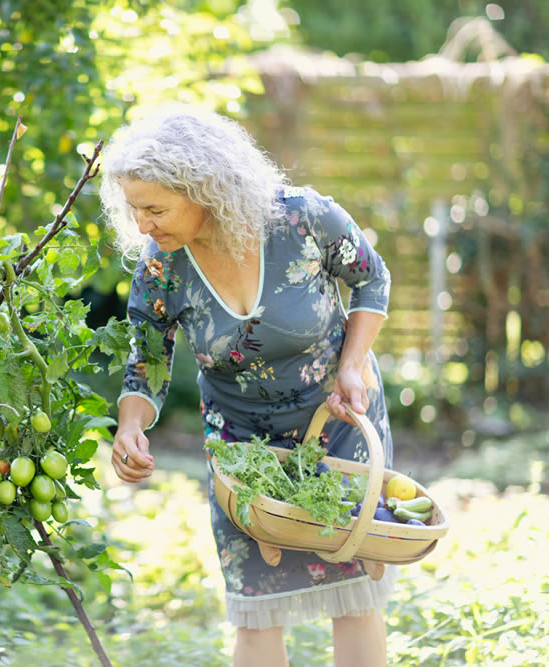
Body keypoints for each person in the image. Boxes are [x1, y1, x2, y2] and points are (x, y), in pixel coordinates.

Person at [99, 106, 395, 667]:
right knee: (257, 601)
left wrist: (352, 365)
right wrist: (132, 426)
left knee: (354, 595)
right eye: (133, 209)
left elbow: (371, 278)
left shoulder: (303, 219)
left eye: (154, 208)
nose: (142, 225)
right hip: (243, 452)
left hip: (336, 426)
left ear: (203, 189)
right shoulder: (161, 267)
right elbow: (148, 359)